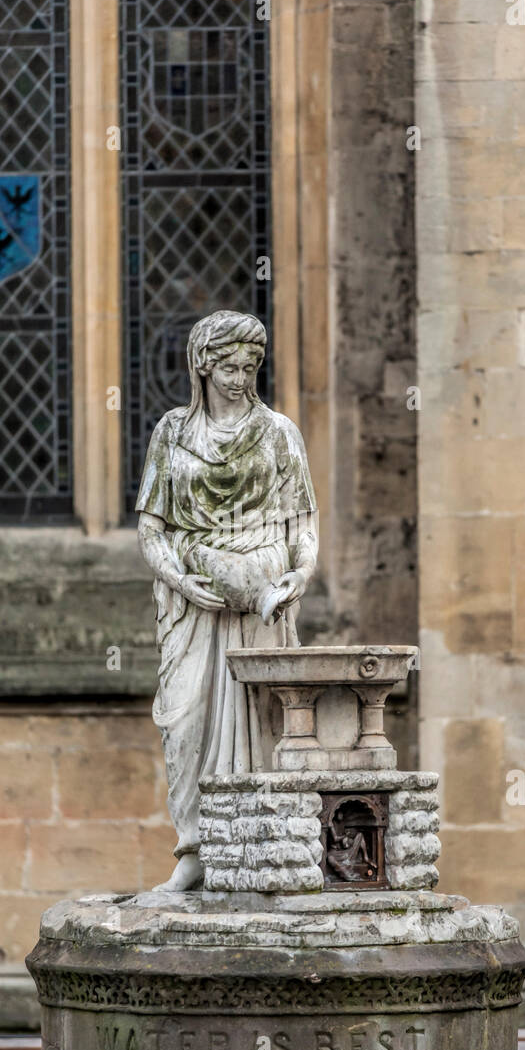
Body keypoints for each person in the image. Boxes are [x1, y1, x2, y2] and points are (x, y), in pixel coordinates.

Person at [136, 310, 319, 890]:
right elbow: (151, 529)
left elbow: (303, 524)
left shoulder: (280, 434)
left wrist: (301, 575)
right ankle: (193, 850)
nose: (242, 378)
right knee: (184, 718)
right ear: (202, 365)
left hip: (260, 595)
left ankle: (263, 852)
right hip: (193, 604)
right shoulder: (172, 433)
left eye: (250, 367)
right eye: (230, 368)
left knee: (261, 718)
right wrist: (180, 579)